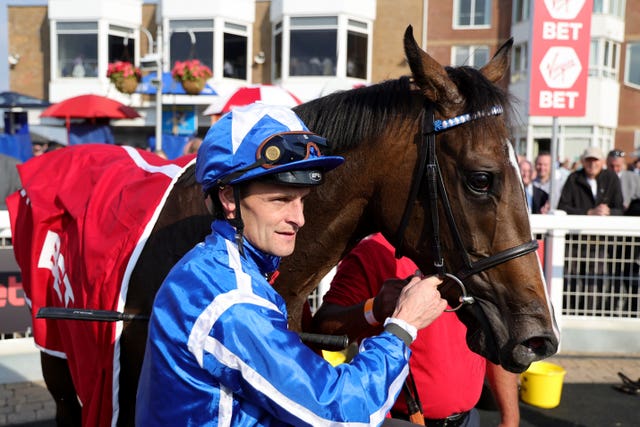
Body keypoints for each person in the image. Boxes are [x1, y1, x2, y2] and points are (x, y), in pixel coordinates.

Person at [135, 104, 448, 426]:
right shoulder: (232, 301)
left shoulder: (213, 267)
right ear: (228, 199)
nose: (298, 219)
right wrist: (403, 326)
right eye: (280, 200)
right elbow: (343, 413)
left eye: (302, 200)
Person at [312, 233, 520, 427]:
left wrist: (510, 419)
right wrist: (373, 308)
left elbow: (497, 334)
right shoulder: (373, 250)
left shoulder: (474, 249)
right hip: (400, 421)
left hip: (468, 419)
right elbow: (323, 327)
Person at [557, 146, 624, 314]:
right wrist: (589, 213)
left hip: (600, 241)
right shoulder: (573, 178)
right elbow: (562, 207)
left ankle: (593, 314)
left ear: (602, 162)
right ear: (582, 161)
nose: (592, 164)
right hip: (575, 241)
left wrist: (608, 212)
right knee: (571, 279)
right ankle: (570, 313)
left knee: (596, 281)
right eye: (588, 160)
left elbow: (620, 209)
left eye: (595, 160)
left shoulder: (611, 179)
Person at [606, 149, 640, 214]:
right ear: (606, 163)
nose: (614, 169)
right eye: (611, 166)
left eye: (618, 166)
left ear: (623, 164)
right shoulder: (601, 177)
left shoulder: (635, 178)